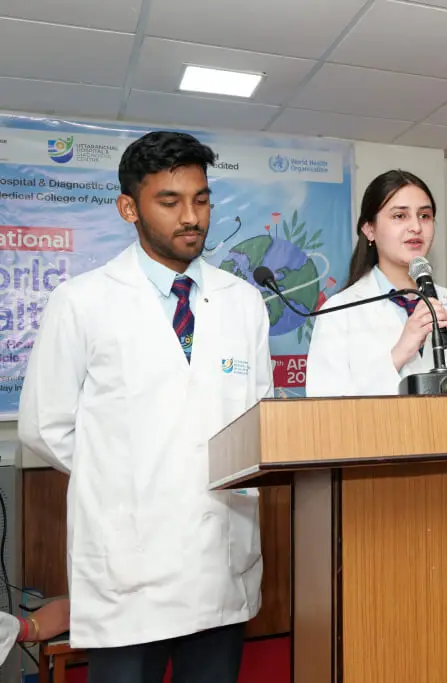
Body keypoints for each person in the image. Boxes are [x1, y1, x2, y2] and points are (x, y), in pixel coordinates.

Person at [17, 131, 273, 683]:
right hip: (129, 566)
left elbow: (259, 418)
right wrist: (126, 476)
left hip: (219, 561)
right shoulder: (82, 302)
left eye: (201, 200)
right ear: (129, 208)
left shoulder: (243, 302)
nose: (192, 217)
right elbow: (44, 426)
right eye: (170, 201)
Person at [305, 169, 447, 397]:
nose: (416, 227)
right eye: (400, 216)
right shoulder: (339, 313)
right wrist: (400, 352)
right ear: (369, 229)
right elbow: (324, 409)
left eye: (424, 216)